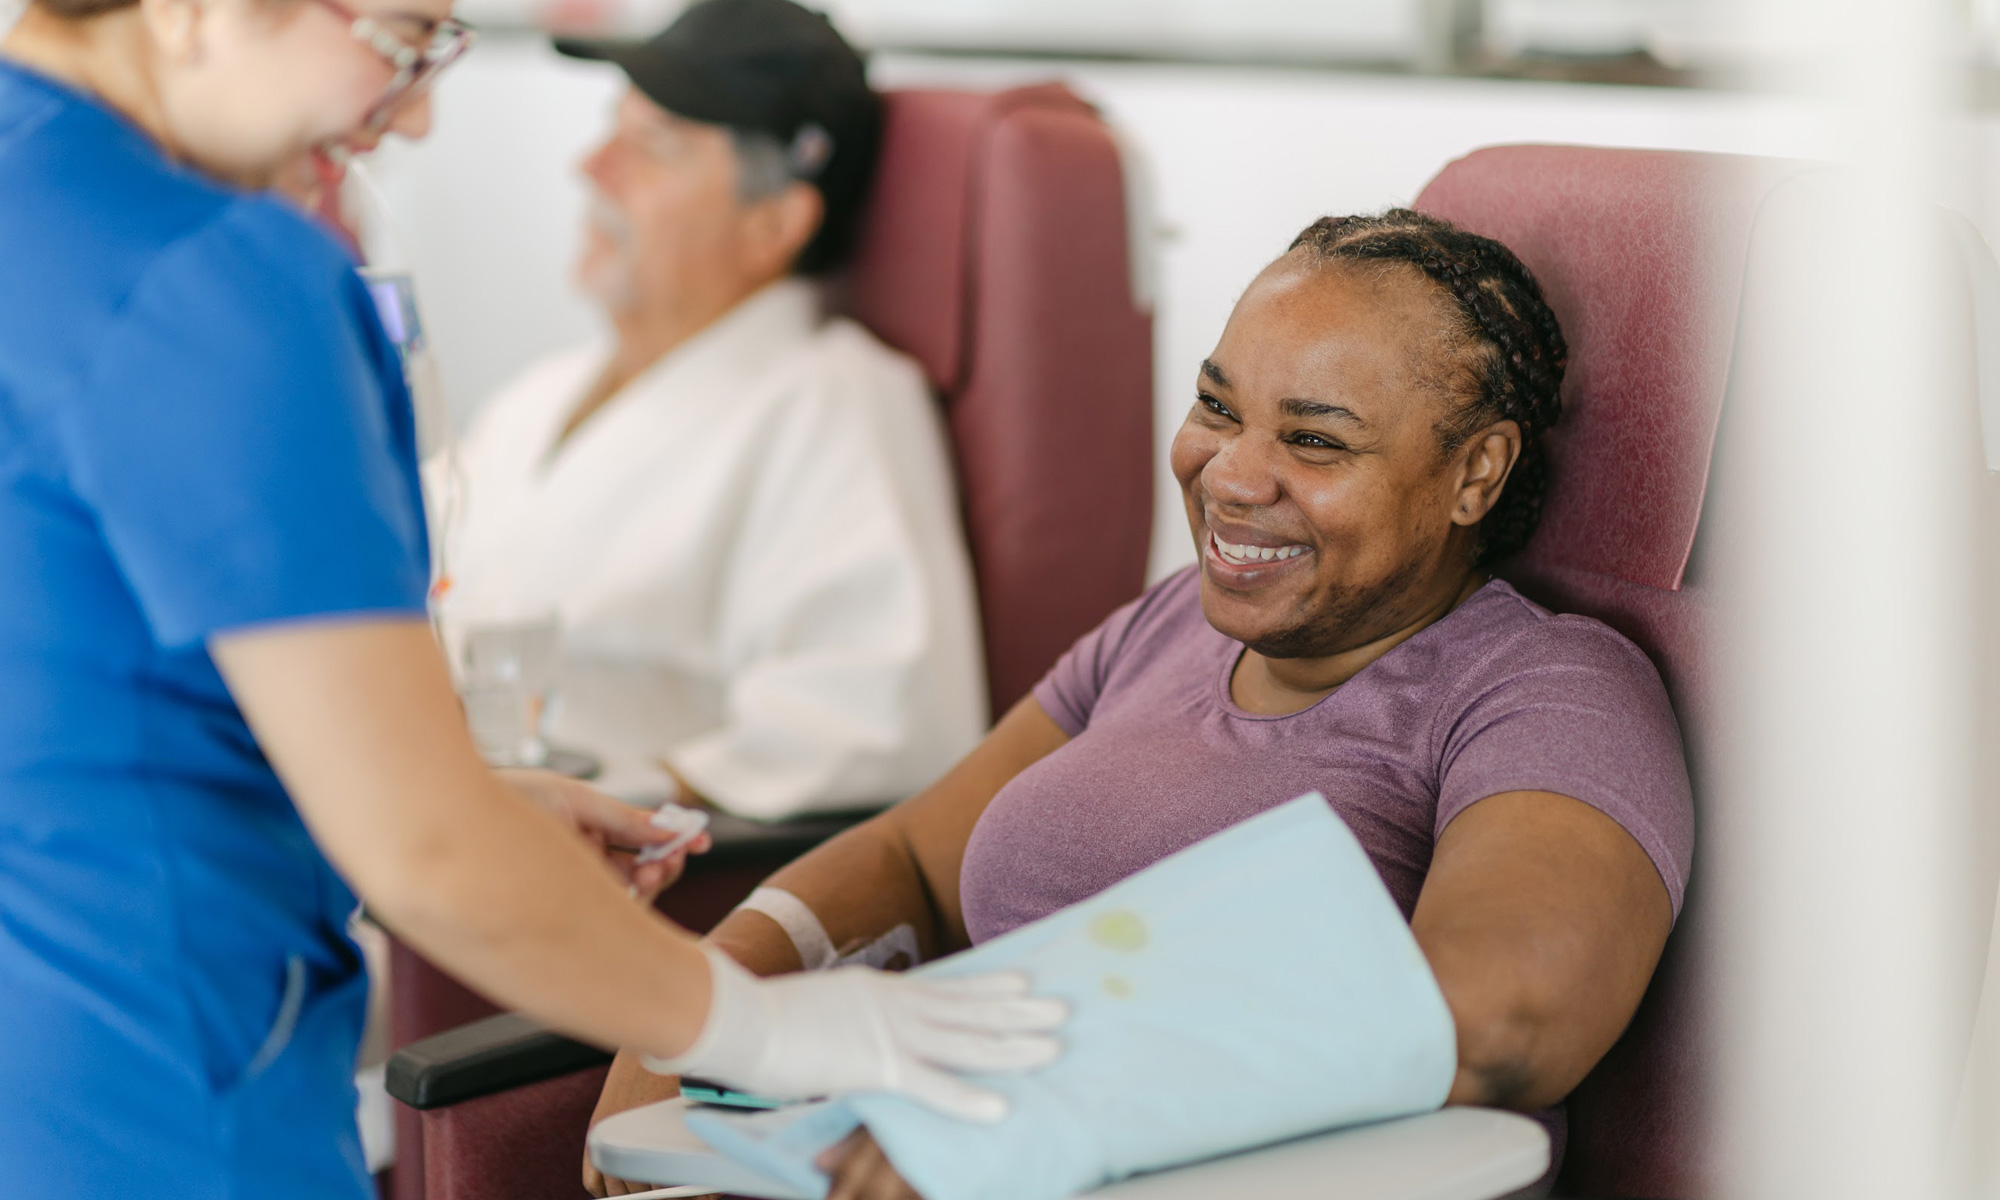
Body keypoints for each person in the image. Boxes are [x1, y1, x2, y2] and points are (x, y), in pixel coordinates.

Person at [0, 2, 1066, 1196]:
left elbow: (81, 698)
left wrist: (474, 804)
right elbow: (422, 842)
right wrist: (769, 1030)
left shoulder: (43, 203)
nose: (417, 113)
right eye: (406, 39)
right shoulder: (231, 281)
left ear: (778, 219)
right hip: (153, 1089)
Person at [584, 210, 1695, 1199]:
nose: (1230, 475)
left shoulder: (1545, 690)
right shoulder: (1167, 624)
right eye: (1217, 406)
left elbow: (1503, 1017)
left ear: (1475, 474)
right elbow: (914, 865)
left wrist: (1064, 1103)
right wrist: (704, 1001)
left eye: (1312, 440)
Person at [431, 0, 986, 815]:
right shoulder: (536, 396)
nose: (592, 167)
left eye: (654, 149)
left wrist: (609, 805)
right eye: (610, 129)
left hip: (607, 869)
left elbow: (871, 726)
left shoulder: (832, 401)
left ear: (775, 222)